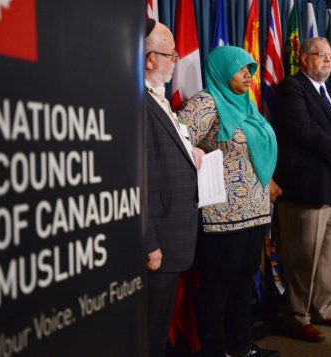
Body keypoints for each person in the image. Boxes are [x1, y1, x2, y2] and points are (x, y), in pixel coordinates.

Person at [177, 46, 279, 357]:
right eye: (241, 69)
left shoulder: (246, 104)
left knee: (243, 283)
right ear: (222, 70)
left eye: (251, 68)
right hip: (222, 216)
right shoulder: (207, 102)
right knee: (217, 289)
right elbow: (176, 140)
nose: (249, 74)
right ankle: (214, 349)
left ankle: (241, 346)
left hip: (256, 213)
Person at [272, 37, 331, 343]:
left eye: (330, 56)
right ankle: (297, 316)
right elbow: (303, 131)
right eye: (320, 55)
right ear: (303, 58)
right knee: (303, 256)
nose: (327, 60)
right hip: (305, 188)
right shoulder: (291, 88)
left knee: (328, 256)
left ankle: (324, 306)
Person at [143, 19, 204, 357]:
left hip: (174, 235)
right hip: (157, 242)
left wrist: (189, 149)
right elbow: (134, 178)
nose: (176, 60)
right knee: (150, 331)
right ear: (150, 58)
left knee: (159, 325)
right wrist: (148, 240)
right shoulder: (137, 102)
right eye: (171, 54)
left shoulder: (160, 99)